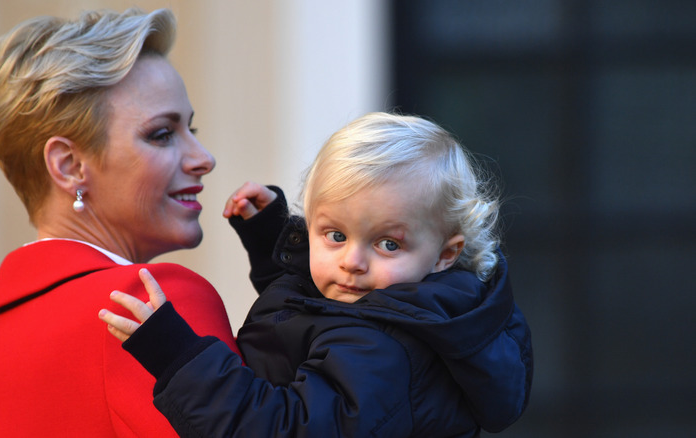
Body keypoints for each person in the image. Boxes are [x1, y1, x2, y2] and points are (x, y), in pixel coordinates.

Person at [100, 112, 534, 437]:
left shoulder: (382, 350)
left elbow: (284, 427)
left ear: (445, 254)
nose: (352, 262)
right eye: (335, 234)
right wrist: (269, 233)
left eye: (388, 244)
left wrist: (178, 358)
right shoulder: (384, 306)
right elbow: (309, 321)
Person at [0, 8, 242, 437]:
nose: (203, 159)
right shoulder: (149, 309)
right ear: (69, 165)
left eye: (190, 128)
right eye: (162, 134)